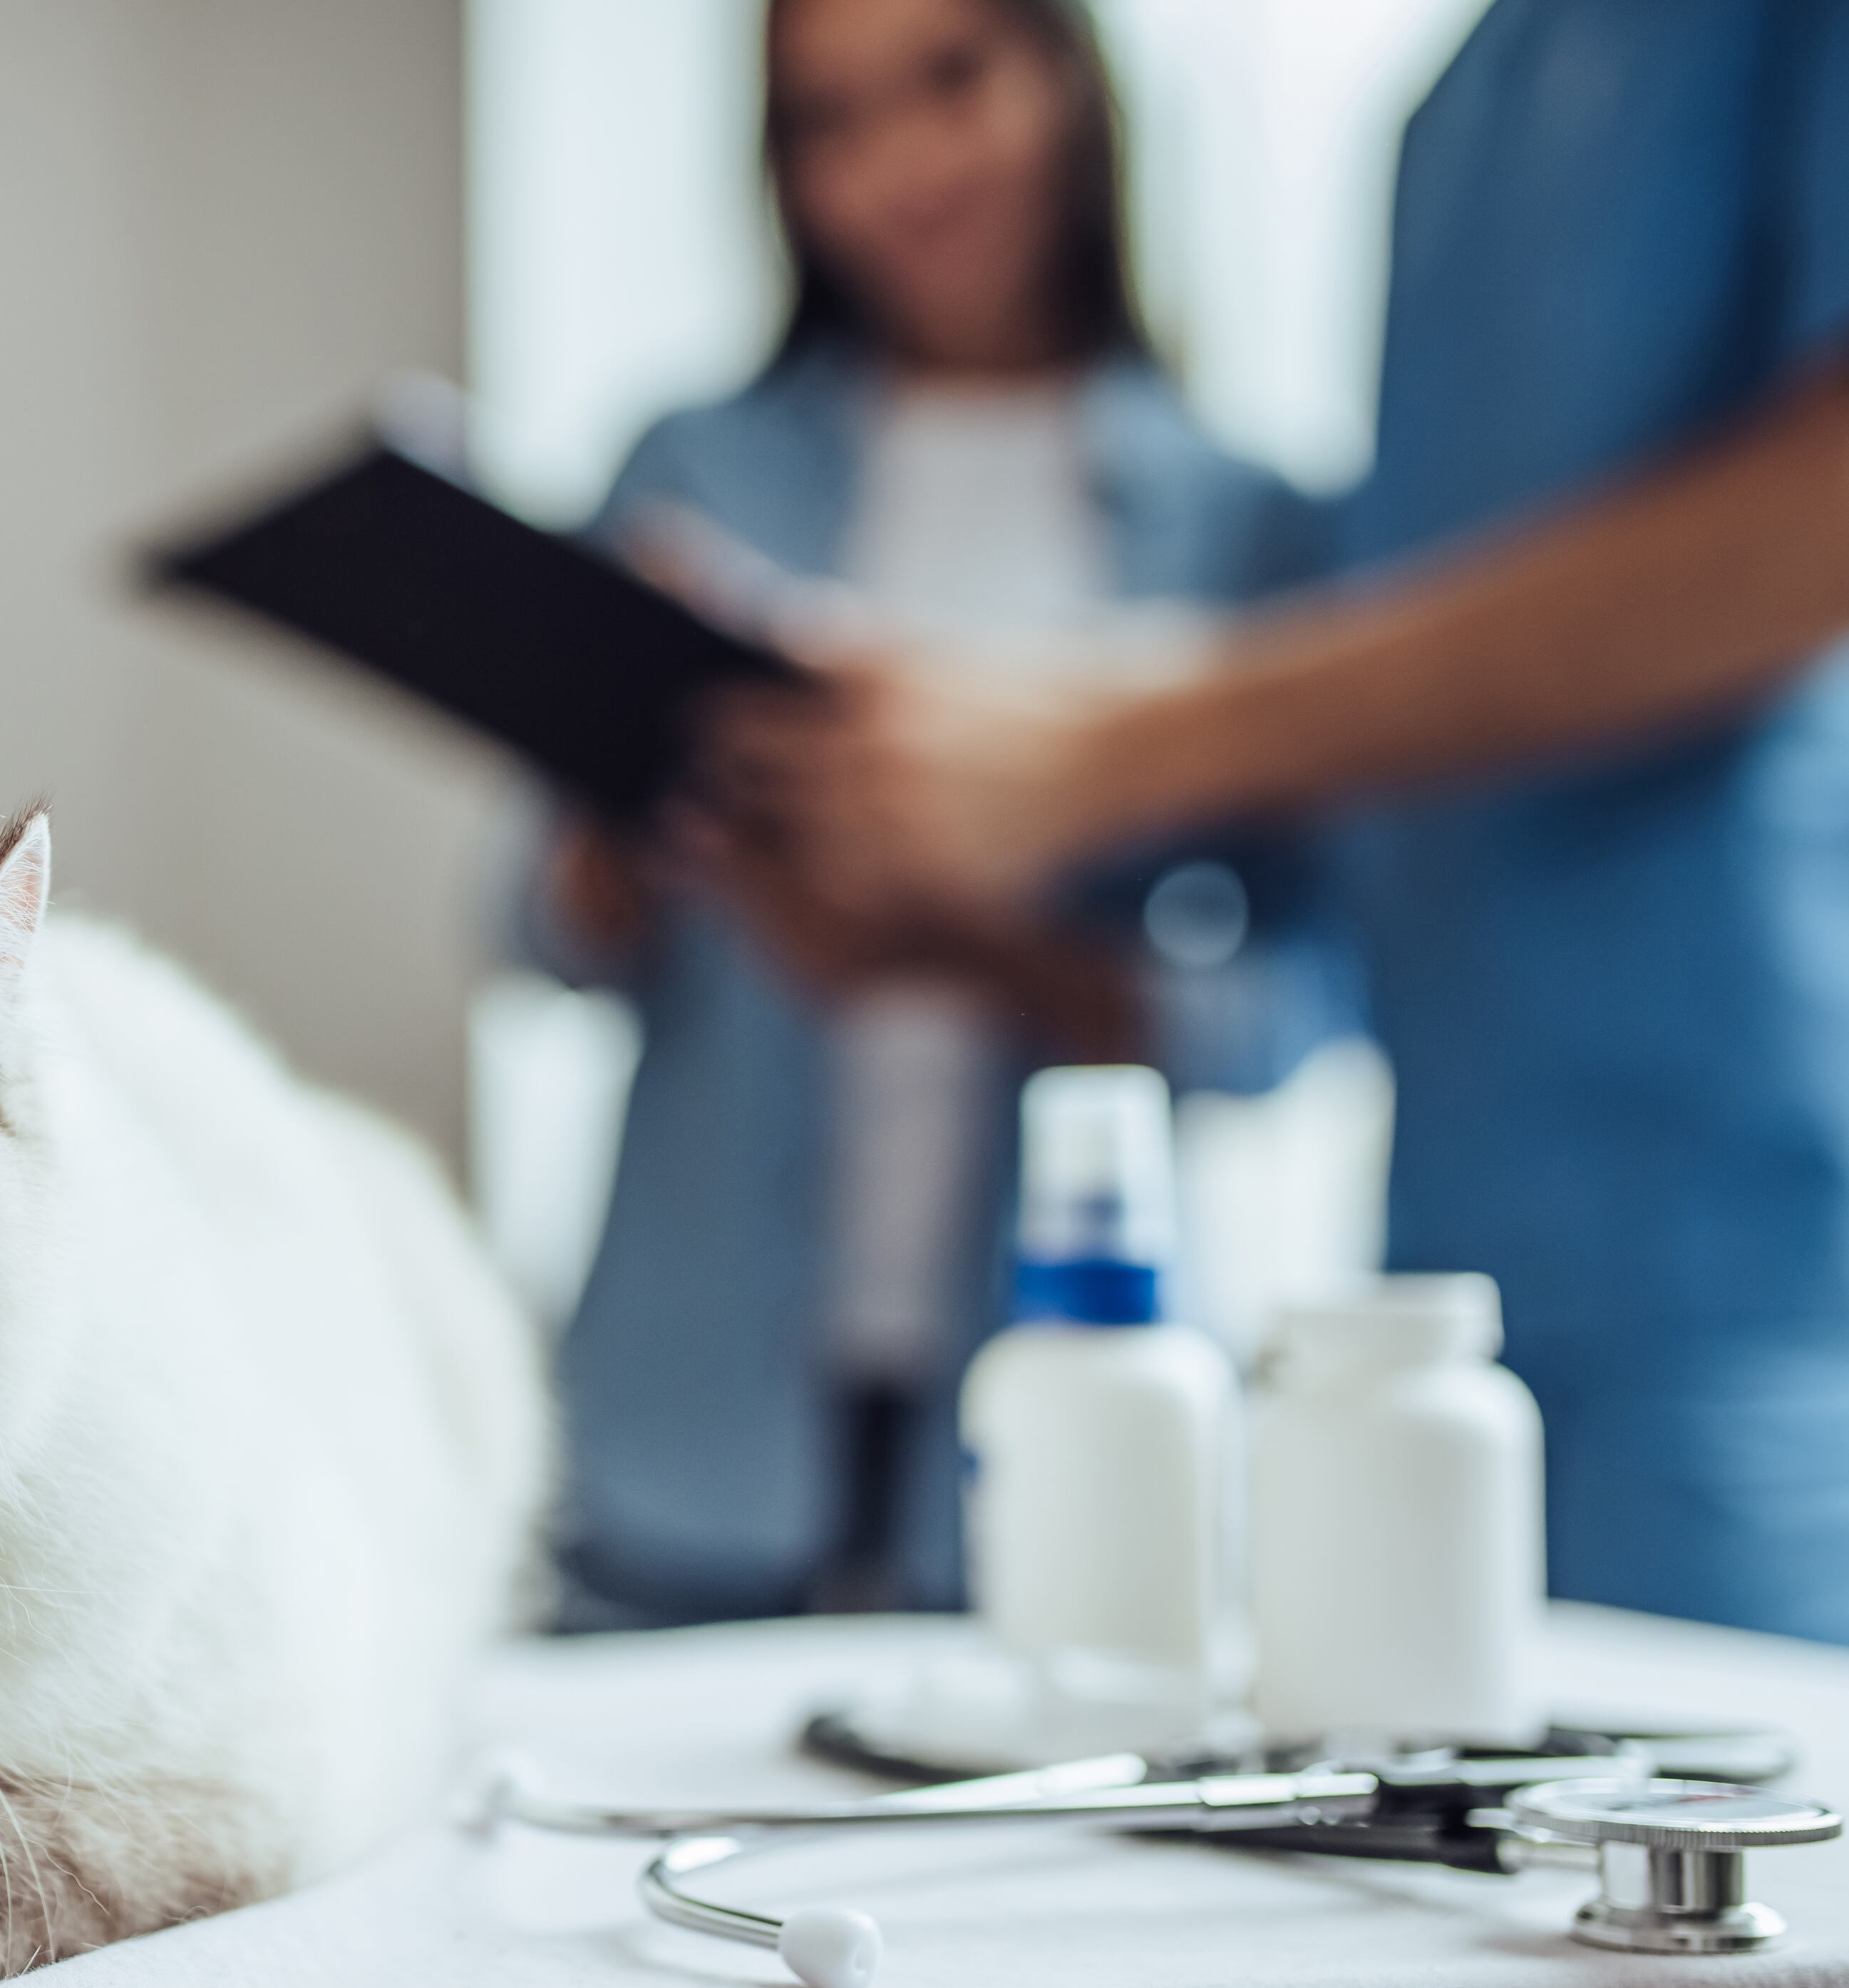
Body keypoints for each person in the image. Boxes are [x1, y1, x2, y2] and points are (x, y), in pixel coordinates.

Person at [730, 0, 1849, 1659]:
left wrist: (1112, 744)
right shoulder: (1453, 112)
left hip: (1761, 1259)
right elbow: (1388, 784)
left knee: (1793, 1889)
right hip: (1443, 1285)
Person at [531, 0, 1346, 1629]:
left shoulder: (1254, 523)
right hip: (689, 1405)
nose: (899, 165)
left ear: (1069, 80)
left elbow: (1299, 1012)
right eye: (828, 122)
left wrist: (974, 959)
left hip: (1063, 1420)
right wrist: (641, 819)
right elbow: (532, 924)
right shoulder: (693, 469)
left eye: (951, 81)